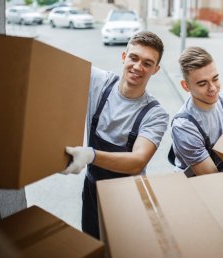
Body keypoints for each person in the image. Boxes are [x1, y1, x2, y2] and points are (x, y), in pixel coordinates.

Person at [62, 31, 169, 239]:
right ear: (124, 57)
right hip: (92, 191)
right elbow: (58, 65)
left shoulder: (156, 114)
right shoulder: (100, 83)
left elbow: (137, 161)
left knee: (121, 248)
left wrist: (91, 155)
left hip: (127, 198)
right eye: (134, 58)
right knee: (91, 243)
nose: (138, 67)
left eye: (147, 63)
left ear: (155, 70)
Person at [169, 46, 223, 177]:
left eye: (215, 79)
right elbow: (211, 177)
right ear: (186, 86)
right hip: (197, 183)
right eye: (202, 84)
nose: (213, 88)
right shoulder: (184, 126)